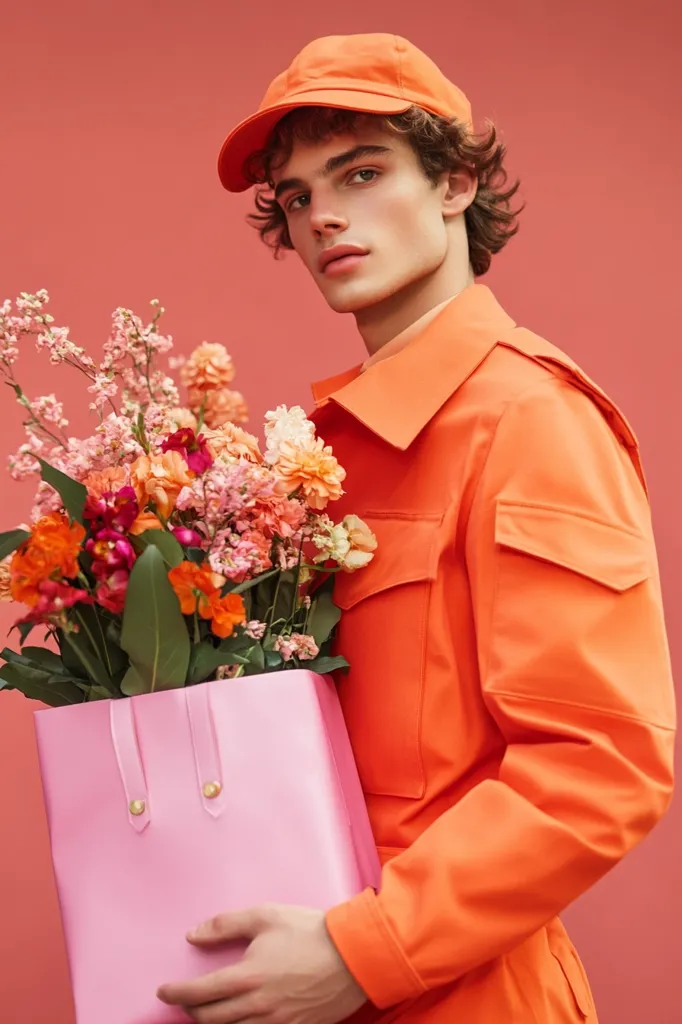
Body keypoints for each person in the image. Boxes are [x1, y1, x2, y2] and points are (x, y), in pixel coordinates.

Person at [157, 33, 676, 1023]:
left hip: (461, 993)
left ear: (455, 183)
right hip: (297, 978)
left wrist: (363, 952)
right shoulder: (322, 456)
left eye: (361, 173)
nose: (323, 216)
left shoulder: (531, 419)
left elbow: (600, 763)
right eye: (298, 195)